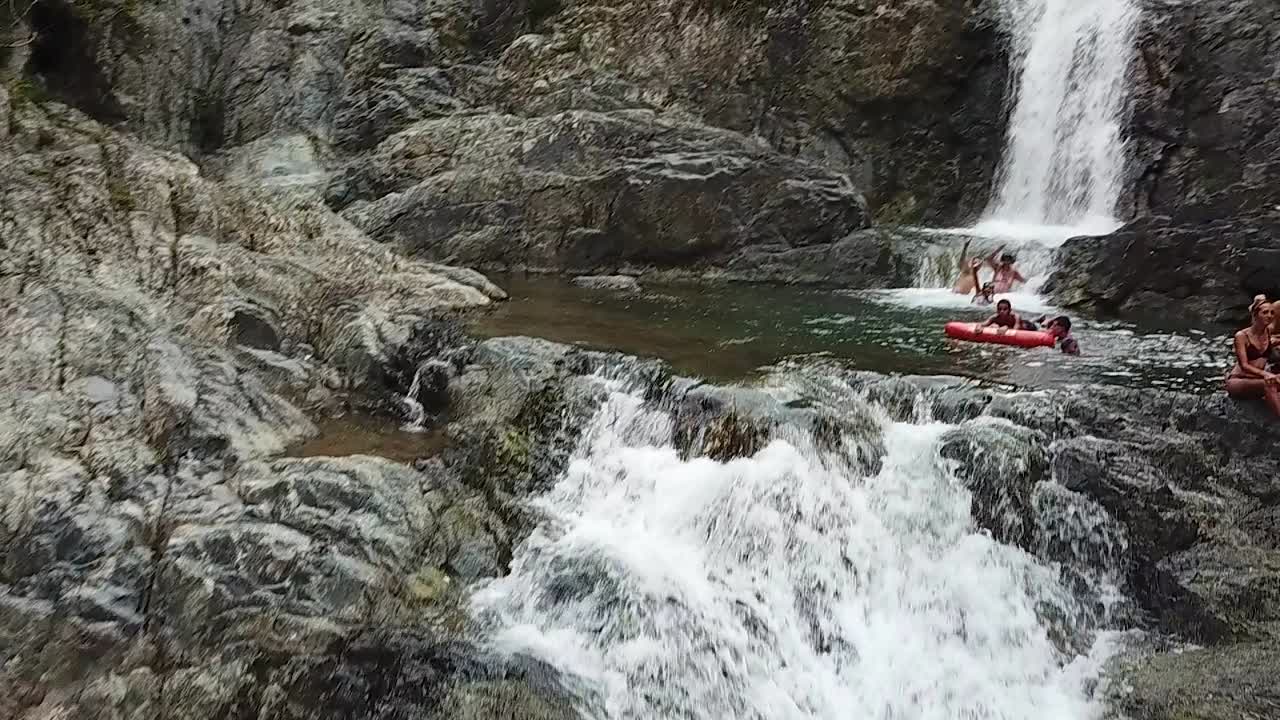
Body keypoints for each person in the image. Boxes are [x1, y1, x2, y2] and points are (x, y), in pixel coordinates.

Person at [1225, 295, 1280, 417]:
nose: (1269, 316)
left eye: (1271, 313)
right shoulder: (1242, 336)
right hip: (1238, 381)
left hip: (1257, 380)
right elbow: (1244, 365)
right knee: (1270, 384)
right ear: (1255, 315)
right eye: (1265, 312)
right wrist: (1267, 374)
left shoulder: (1268, 332)